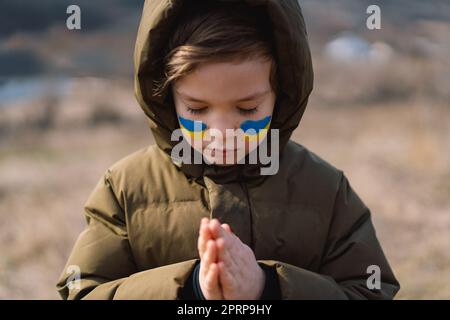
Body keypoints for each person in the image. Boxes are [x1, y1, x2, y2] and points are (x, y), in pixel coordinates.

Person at [56, 0, 400, 300]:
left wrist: (267, 287)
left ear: (283, 92)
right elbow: (82, 291)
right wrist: (190, 288)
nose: (221, 132)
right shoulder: (124, 190)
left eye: (247, 109)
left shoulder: (327, 190)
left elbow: (370, 291)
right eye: (197, 109)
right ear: (164, 96)